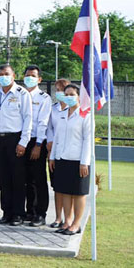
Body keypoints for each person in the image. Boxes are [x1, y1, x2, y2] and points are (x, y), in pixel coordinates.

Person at [0, 64, 33, 226]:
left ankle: (18, 214)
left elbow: (28, 119)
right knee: (4, 178)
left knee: (17, 178)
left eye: (6, 74)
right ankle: (6, 212)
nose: (3, 76)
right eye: (0, 74)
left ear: (13, 75)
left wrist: (23, 142)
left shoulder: (22, 94)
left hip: (16, 139)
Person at [49, 84, 92, 235]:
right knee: (65, 191)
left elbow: (88, 140)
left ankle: (76, 223)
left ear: (79, 96)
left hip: (78, 160)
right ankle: (67, 221)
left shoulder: (85, 114)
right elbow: (57, 137)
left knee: (78, 193)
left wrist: (84, 162)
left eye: (72, 94)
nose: (68, 97)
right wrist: (52, 157)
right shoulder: (62, 113)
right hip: (62, 158)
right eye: (66, 94)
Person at [22, 65, 52, 226]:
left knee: (38, 179)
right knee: (26, 179)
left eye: (33, 75)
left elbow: (43, 123)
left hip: (36, 141)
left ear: (39, 79)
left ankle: (40, 213)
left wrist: (39, 145)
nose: (29, 78)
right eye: (27, 75)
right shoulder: (20, 95)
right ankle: (29, 211)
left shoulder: (43, 98)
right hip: (22, 141)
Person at [46, 78, 74, 228]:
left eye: (62, 90)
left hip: (69, 152)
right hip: (54, 152)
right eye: (57, 90)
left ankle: (69, 218)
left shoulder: (74, 110)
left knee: (69, 188)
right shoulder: (53, 108)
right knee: (57, 187)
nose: (59, 93)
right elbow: (49, 127)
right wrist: (49, 142)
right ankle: (58, 217)